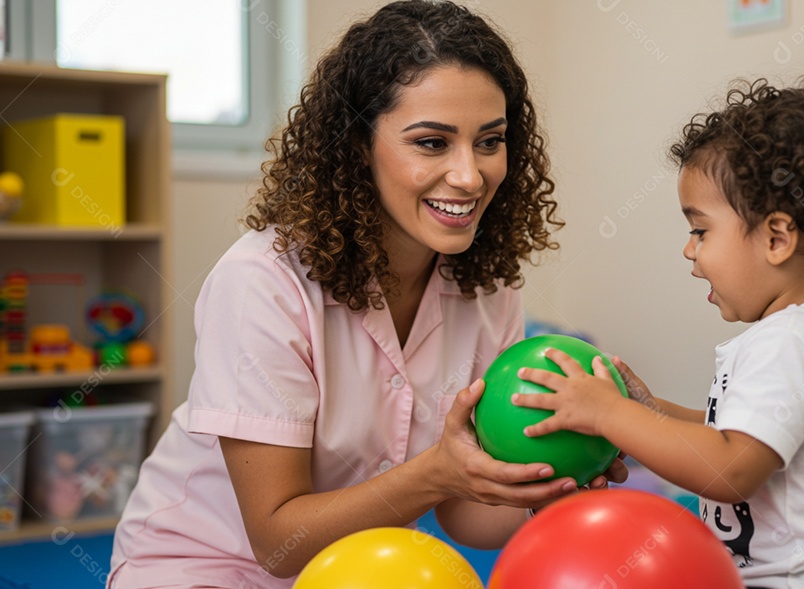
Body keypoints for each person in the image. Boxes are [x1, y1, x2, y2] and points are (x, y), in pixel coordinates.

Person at [108, 2, 622, 587]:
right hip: (206, 567)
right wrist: (438, 473)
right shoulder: (262, 281)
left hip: (364, 569)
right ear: (357, 145)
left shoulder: (489, 284)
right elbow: (279, 545)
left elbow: (465, 515)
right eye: (431, 143)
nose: (470, 176)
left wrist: (549, 483)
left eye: (490, 141)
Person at [514, 77, 804, 587]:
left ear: (777, 238)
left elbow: (732, 470)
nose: (689, 249)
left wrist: (611, 414)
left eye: (700, 230)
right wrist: (653, 413)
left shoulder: (789, 343)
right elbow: (741, 434)